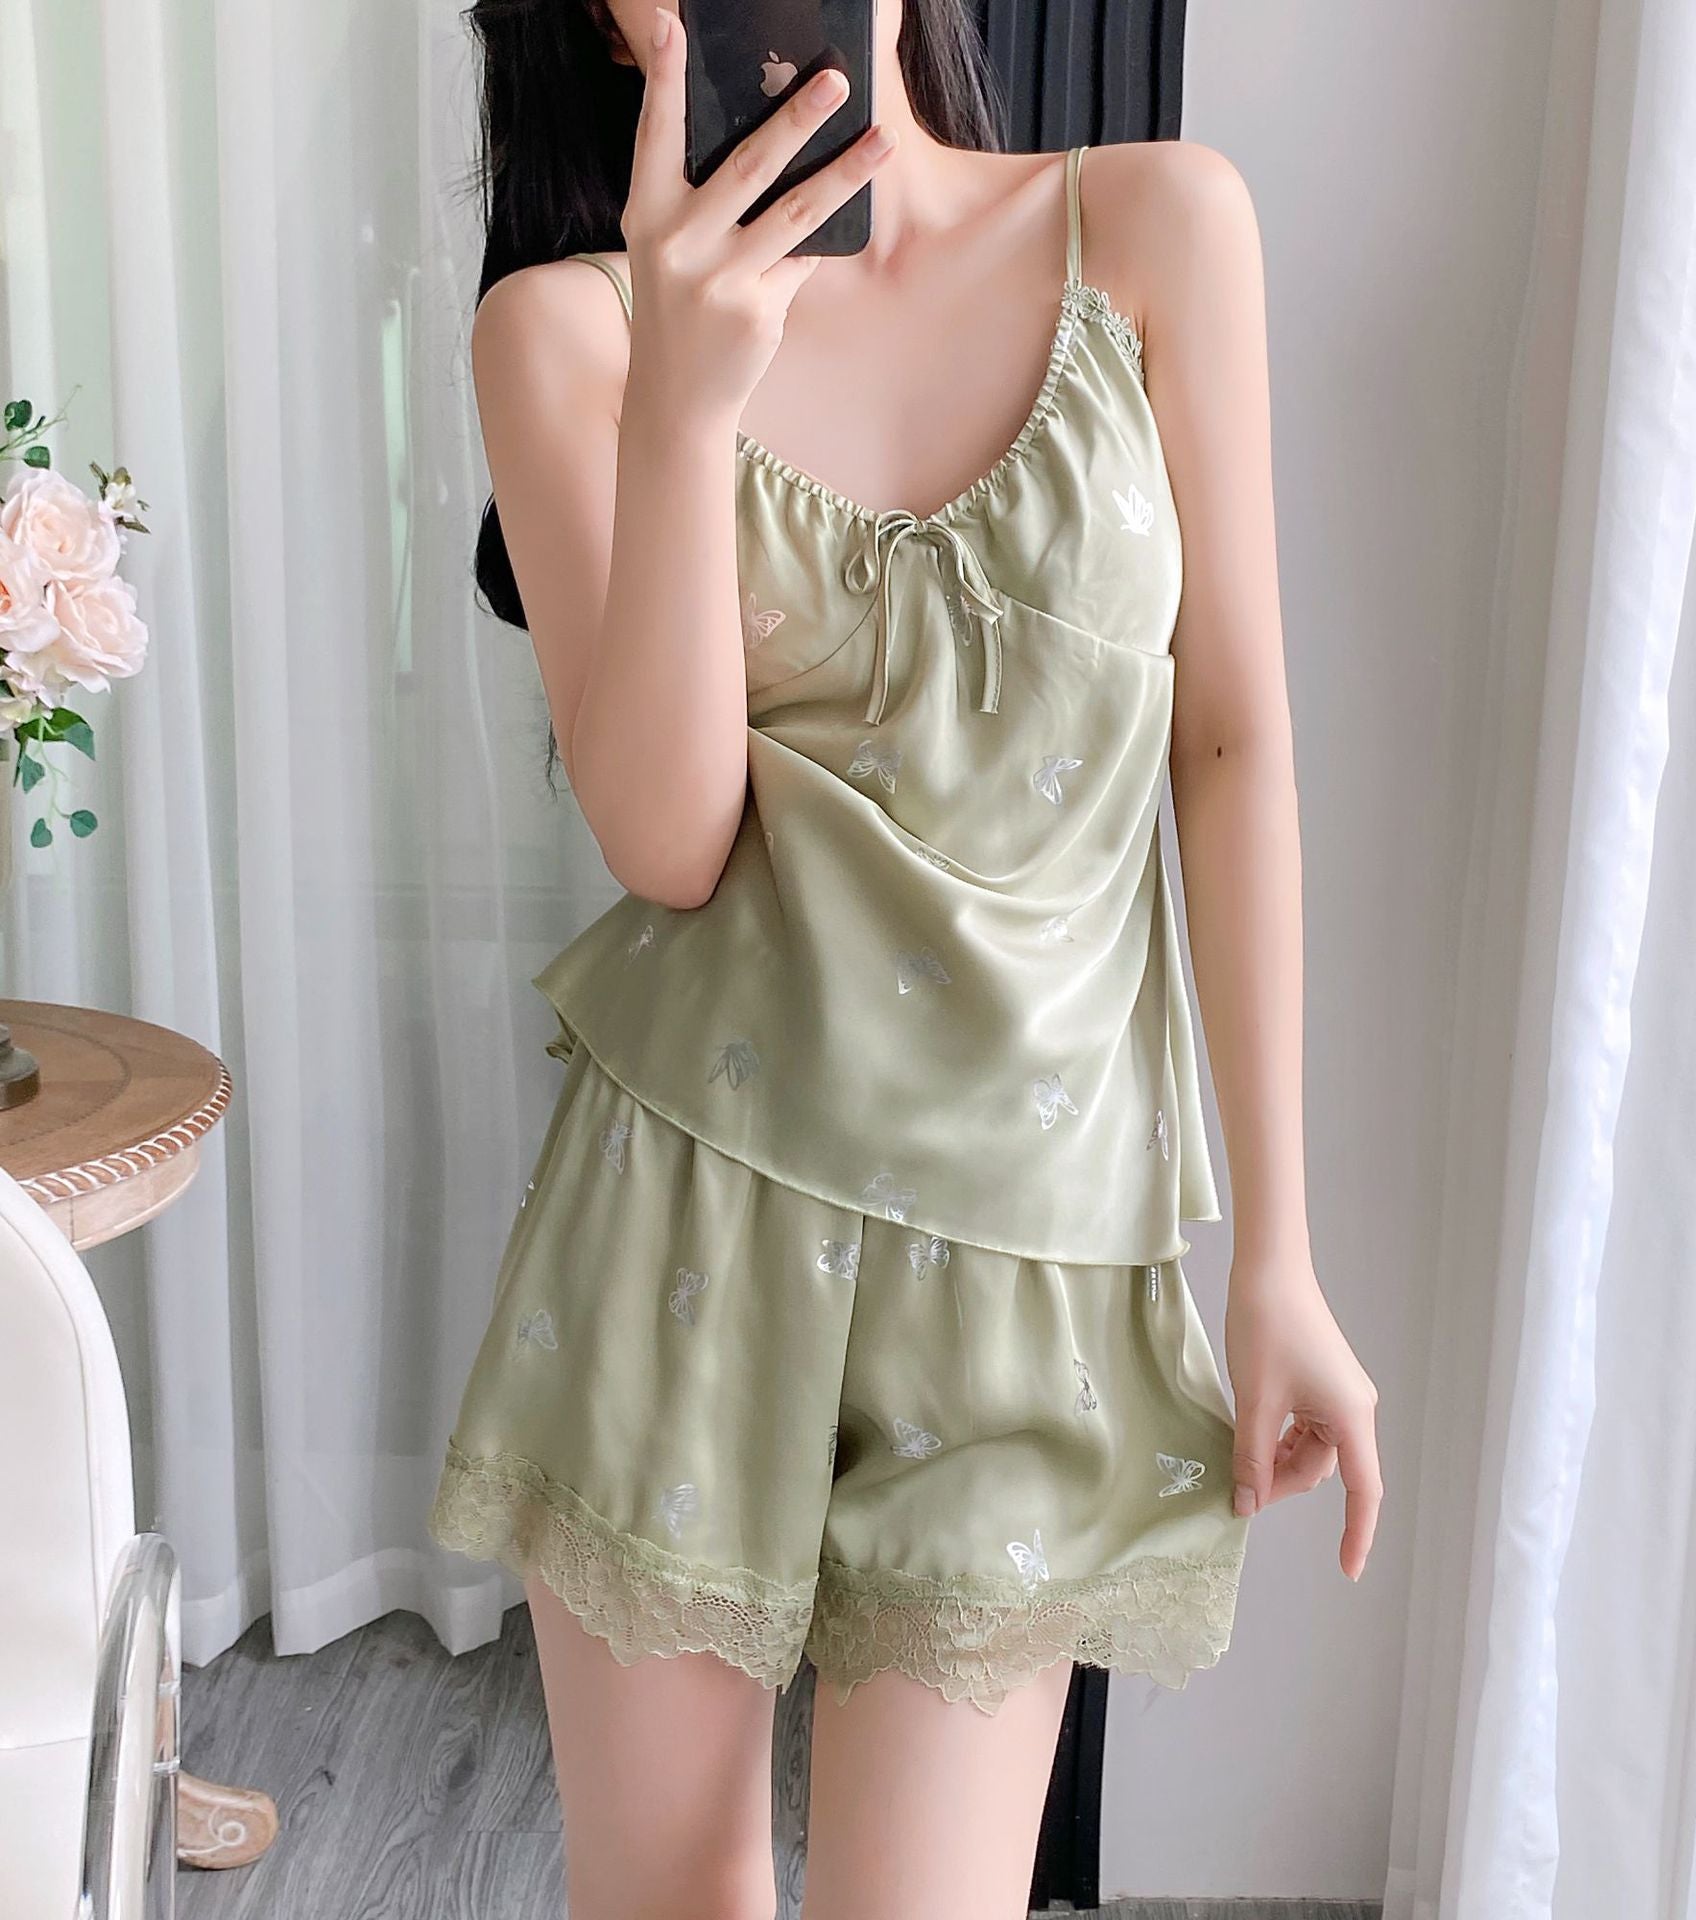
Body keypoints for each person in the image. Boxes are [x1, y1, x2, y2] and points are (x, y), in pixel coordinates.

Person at [428, 2, 1383, 1915]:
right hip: (686, 1224)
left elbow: (1231, 745)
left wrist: (1276, 1249)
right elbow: (670, 841)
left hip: (1034, 1265)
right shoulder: (564, 333)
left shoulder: (1158, 226)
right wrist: (684, 398)